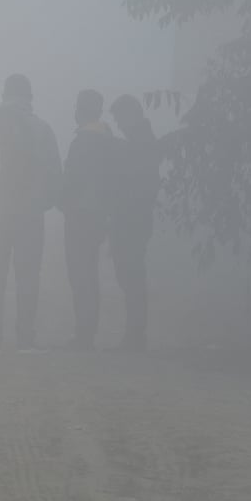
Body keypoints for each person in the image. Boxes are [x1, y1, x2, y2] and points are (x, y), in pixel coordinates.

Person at [0, 74, 62, 353]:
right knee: (28, 276)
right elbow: (54, 173)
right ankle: (25, 339)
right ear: (29, 97)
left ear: (4, 95)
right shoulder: (42, 128)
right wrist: (43, 203)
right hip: (30, 215)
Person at [58, 90, 115, 351]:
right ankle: (87, 333)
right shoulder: (106, 140)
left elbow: (72, 181)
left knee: (80, 276)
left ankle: (84, 336)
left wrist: (61, 202)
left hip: (80, 216)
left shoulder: (83, 142)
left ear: (81, 110)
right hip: (97, 215)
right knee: (89, 274)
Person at [107, 94, 161, 351]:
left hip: (132, 220)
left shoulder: (141, 143)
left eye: (119, 119)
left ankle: (135, 335)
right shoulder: (139, 140)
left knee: (131, 276)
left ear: (130, 115)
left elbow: (136, 184)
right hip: (131, 219)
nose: (118, 125)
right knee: (129, 276)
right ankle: (134, 333)